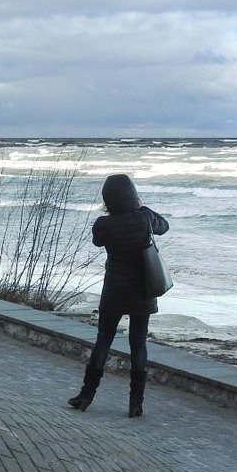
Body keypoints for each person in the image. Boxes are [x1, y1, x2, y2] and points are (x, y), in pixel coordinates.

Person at [68, 174, 169, 417]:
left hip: (114, 290)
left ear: (108, 200)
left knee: (103, 340)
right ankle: (136, 404)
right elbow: (164, 226)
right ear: (133, 195)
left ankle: (86, 396)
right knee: (138, 343)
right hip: (142, 291)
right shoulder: (144, 217)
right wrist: (143, 208)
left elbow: (97, 242)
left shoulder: (104, 224)